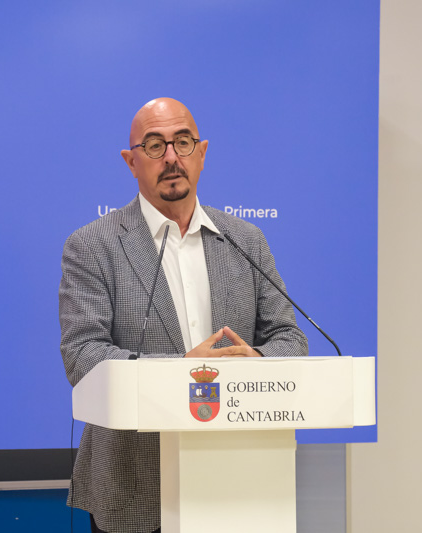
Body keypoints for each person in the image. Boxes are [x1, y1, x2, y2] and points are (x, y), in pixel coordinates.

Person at [58, 97, 308, 533]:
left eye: (183, 142)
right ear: (131, 161)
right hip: (135, 484)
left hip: (238, 480)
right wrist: (181, 370)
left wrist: (255, 361)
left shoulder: (246, 239)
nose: (172, 157)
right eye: (155, 146)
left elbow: (290, 337)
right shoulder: (93, 245)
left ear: (202, 152)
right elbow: (83, 355)